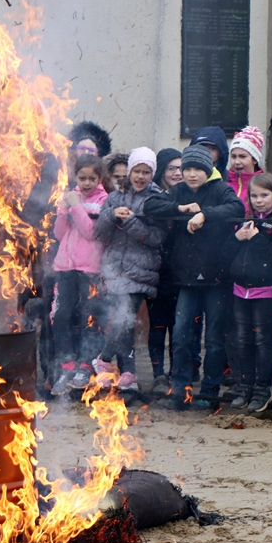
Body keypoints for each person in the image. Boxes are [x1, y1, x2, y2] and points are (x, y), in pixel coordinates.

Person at [145, 145, 246, 410]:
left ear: (208, 170)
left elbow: (237, 208)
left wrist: (205, 214)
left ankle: (210, 391)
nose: (191, 174)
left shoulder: (220, 189)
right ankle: (180, 388)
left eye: (197, 169)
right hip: (186, 278)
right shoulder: (177, 191)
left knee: (213, 338)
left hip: (217, 277)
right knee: (180, 335)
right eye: (186, 169)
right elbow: (151, 204)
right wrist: (181, 208)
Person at [91, 147, 167, 395]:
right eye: (137, 171)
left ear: (152, 174)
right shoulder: (115, 196)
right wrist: (112, 215)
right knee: (122, 321)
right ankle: (128, 374)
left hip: (140, 271)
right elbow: (99, 231)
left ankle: (103, 358)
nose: (141, 177)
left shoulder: (157, 199)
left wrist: (132, 221)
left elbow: (157, 237)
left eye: (146, 172)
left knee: (125, 318)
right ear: (131, 171)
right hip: (113, 269)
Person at [47, 154, 109, 394]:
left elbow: (91, 232)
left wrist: (75, 206)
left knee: (89, 318)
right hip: (65, 268)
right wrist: (64, 210)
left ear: (99, 178)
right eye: (82, 178)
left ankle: (85, 365)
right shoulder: (69, 196)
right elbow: (60, 234)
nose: (86, 183)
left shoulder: (104, 201)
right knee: (60, 316)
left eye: (91, 178)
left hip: (90, 270)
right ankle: (67, 366)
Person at [228, 173, 272, 413]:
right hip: (241, 291)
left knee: (262, 340)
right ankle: (244, 385)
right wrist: (236, 238)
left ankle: (262, 387)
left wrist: (258, 238)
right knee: (242, 339)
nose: (259, 200)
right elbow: (228, 253)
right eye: (254, 195)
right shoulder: (243, 222)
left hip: (265, 292)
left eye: (264, 195)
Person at [145, 147, 185, 393]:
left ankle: (177, 372)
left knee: (179, 327)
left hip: (182, 268)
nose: (177, 173)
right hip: (158, 268)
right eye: (171, 168)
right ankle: (158, 373)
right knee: (158, 325)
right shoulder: (155, 195)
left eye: (181, 168)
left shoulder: (189, 193)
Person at [226, 126, 265, 208]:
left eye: (242, 156)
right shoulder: (223, 182)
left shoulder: (265, 185)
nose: (237, 162)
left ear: (254, 160)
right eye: (233, 156)